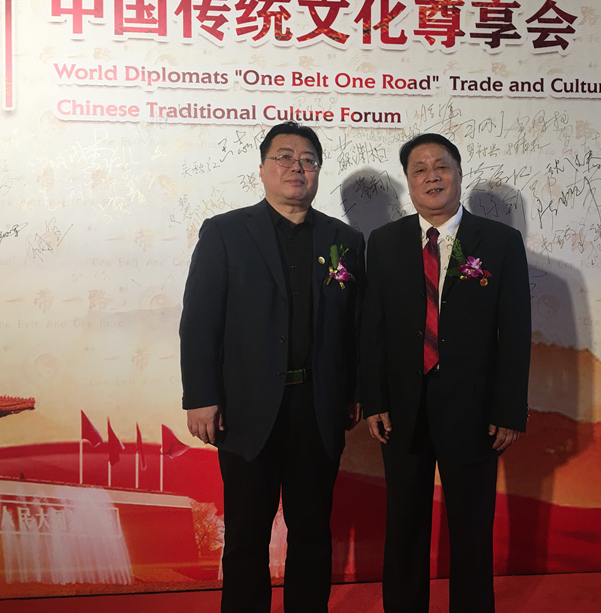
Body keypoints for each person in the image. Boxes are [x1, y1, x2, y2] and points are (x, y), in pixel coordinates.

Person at [180, 121, 365, 613]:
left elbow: (355, 326)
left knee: (313, 533)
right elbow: (199, 320)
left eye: (307, 159)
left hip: (318, 408)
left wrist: (353, 392)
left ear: (318, 171)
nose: (296, 167)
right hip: (245, 409)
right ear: (262, 169)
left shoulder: (344, 239)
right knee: (246, 535)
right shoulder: (225, 232)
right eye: (284, 157)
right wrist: (201, 396)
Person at [360, 133, 531, 613]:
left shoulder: (499, 242)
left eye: (441, 166)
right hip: (403, 410)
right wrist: (375, 399)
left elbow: (515, 331)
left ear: (458, 174)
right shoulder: (386, 242)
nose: (431, 176)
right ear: (408, 181)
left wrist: (508, 409)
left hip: (474, 410)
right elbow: (373, 328)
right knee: (405, 527)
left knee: (472, 531)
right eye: (419, 169)